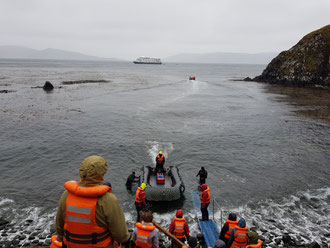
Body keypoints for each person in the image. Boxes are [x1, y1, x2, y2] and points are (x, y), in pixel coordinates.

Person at [55, 155, 130, 248]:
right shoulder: (108, 200)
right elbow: (120, 234)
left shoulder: (66, 195)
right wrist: (126, 240)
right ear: (101, 174)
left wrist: (61, 237)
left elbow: (59, 225)